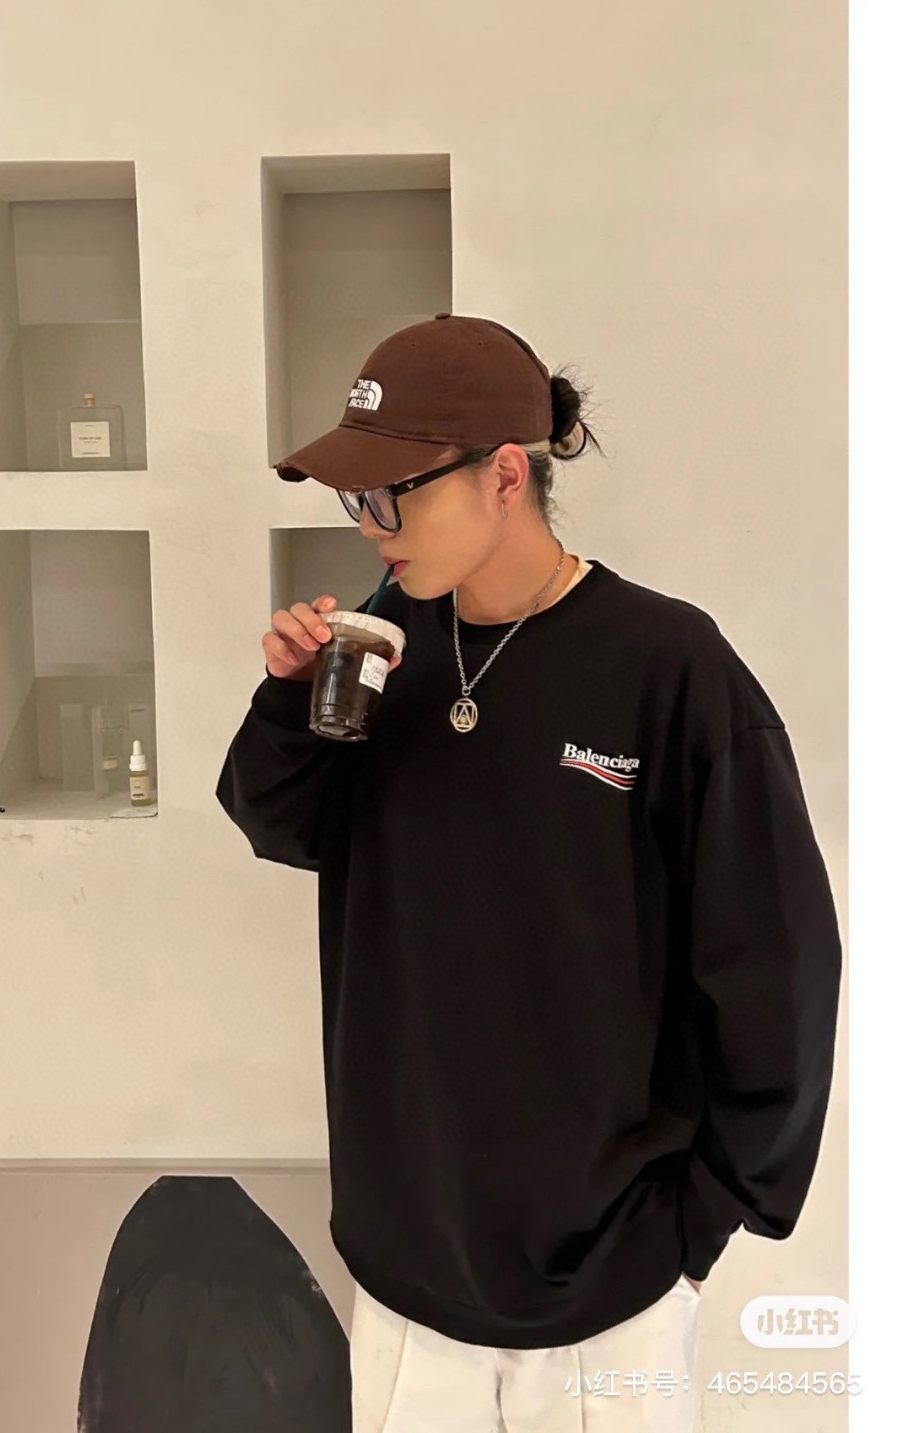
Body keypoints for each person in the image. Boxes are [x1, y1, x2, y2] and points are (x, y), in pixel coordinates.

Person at [215, 314, 843, 1431]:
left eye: (392, 495)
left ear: (506, 475)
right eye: (356, 500)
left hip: (614, 1284)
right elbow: (283, 827)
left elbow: (776, 962)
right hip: (407, 1271)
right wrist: (290, 698)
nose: (371, 529)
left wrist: (707, 1217)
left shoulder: (668, 667)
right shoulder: (383, 646)